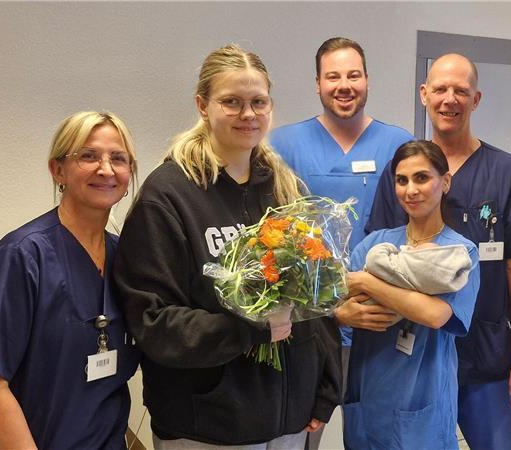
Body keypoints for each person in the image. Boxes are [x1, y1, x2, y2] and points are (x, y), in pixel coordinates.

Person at [112, 45, 342, 449]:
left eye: (258, 102)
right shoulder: (169, 196)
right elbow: (152, 321)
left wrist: (326, 387)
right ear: (203, 105)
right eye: (231, 102)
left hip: (289, 419)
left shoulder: (285, 188)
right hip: (209, 423)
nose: (248, 114)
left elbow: (315, 297)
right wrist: (247, 328)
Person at [367, 53, 511, 450]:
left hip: (486, 354)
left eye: (461, 90)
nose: (450, 99)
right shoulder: (403, 172)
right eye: (441, 89)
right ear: (424, 94)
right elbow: (378, 256)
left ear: (475, 99)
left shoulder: (505, 171)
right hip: (414, 354)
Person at [0, 111, 141, 449]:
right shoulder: (21, 256)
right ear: (58, 170)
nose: (106, 169)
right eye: (88, 156)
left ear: (129, 172)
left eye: (118, 158)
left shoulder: (126, 259)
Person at [269, 38, 412, 448]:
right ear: (317, 83)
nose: (344, 85)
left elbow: (416, 228)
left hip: (380, 321)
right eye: (333, 76)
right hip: (310, 325)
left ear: (367, 80)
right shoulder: (282, 146)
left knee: (377, 435)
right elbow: (274, 244)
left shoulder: (397, 144)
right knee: (301, 433)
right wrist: (329, 307)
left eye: (353, 75)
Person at [344, 140, 480, 449]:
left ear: (445, 182)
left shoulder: (459, 253)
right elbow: (340, 298)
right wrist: (342, 313)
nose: (410, 189)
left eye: (422, 178)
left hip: (422, 395)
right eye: (401, 180)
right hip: (368, 393)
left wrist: (369, 283)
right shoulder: (375, 244)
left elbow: (434, 315)